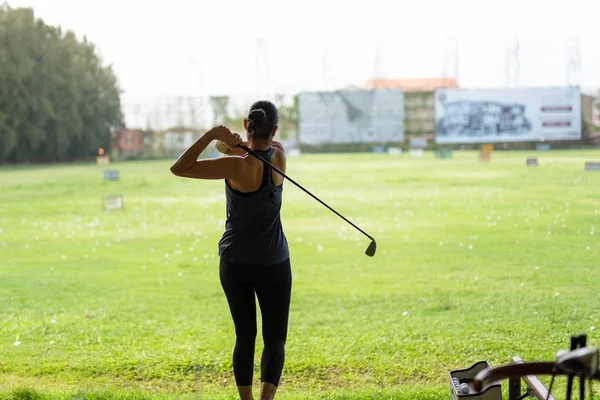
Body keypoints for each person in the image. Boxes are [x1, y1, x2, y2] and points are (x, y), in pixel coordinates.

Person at [170, 100, 291, 400]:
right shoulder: (280, 155)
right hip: (275, 261)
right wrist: (235, 144)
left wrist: (213, 135)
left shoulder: (234, 164)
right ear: (274, 129)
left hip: (236, 262)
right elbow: (260, 148)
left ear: (246, 124)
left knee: (245, 336)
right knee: (274, 339)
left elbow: (179, 167)